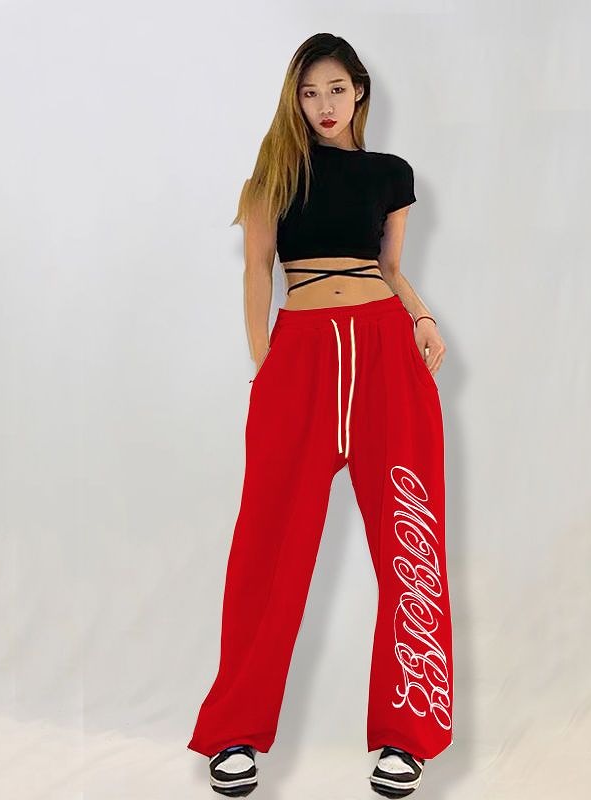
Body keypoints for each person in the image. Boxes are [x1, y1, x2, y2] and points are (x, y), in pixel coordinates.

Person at [187, 33, 454, 798]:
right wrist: (264, 361)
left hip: (386, 352)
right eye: (310, 93)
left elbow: (390, 268)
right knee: (268, 548)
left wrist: (422, 316)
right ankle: (235, 732)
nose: (324, 105)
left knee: (409, 540)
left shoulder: (390, 175)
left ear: (359, 91)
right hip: (299, 356)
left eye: (336, 89)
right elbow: (256, 274)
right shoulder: (270, 179)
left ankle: (407, 736)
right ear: (294, 100)